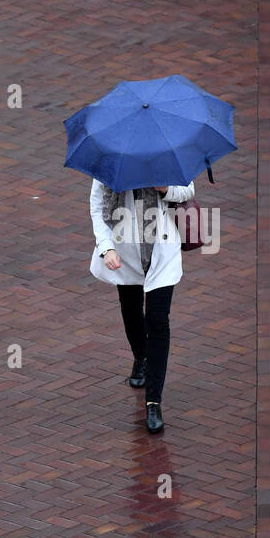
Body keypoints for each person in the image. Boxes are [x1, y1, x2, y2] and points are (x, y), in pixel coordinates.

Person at [88, 176, 196, 433]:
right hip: (124, 250)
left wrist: (166, 188)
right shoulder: (111, 158)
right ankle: (141, 357)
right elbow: (97, 205)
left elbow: (188, 189)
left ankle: (153, 401)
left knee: (158, 321)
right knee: (131, 309)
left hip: (161, 250)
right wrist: (106, 248)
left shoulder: (163, 152)